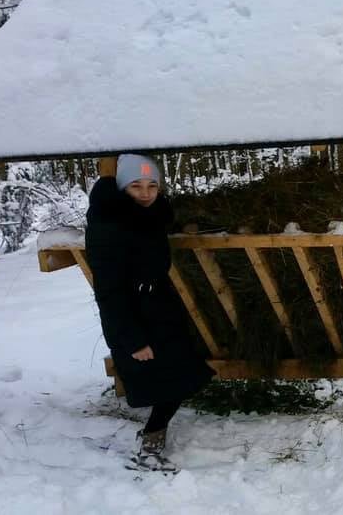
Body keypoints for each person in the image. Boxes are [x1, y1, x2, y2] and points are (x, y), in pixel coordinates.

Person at [85, 154, 214, 468]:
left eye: (152, 185)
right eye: (136, 186)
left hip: (160, 309)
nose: (145, 193)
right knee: (169, 381)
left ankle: (152, 437)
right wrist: (132, 340)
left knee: (182, 375)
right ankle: (149, 448)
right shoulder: (108, 226)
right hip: (135, 318)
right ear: (121, 187)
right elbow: (109, 292)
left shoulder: (149, 215)